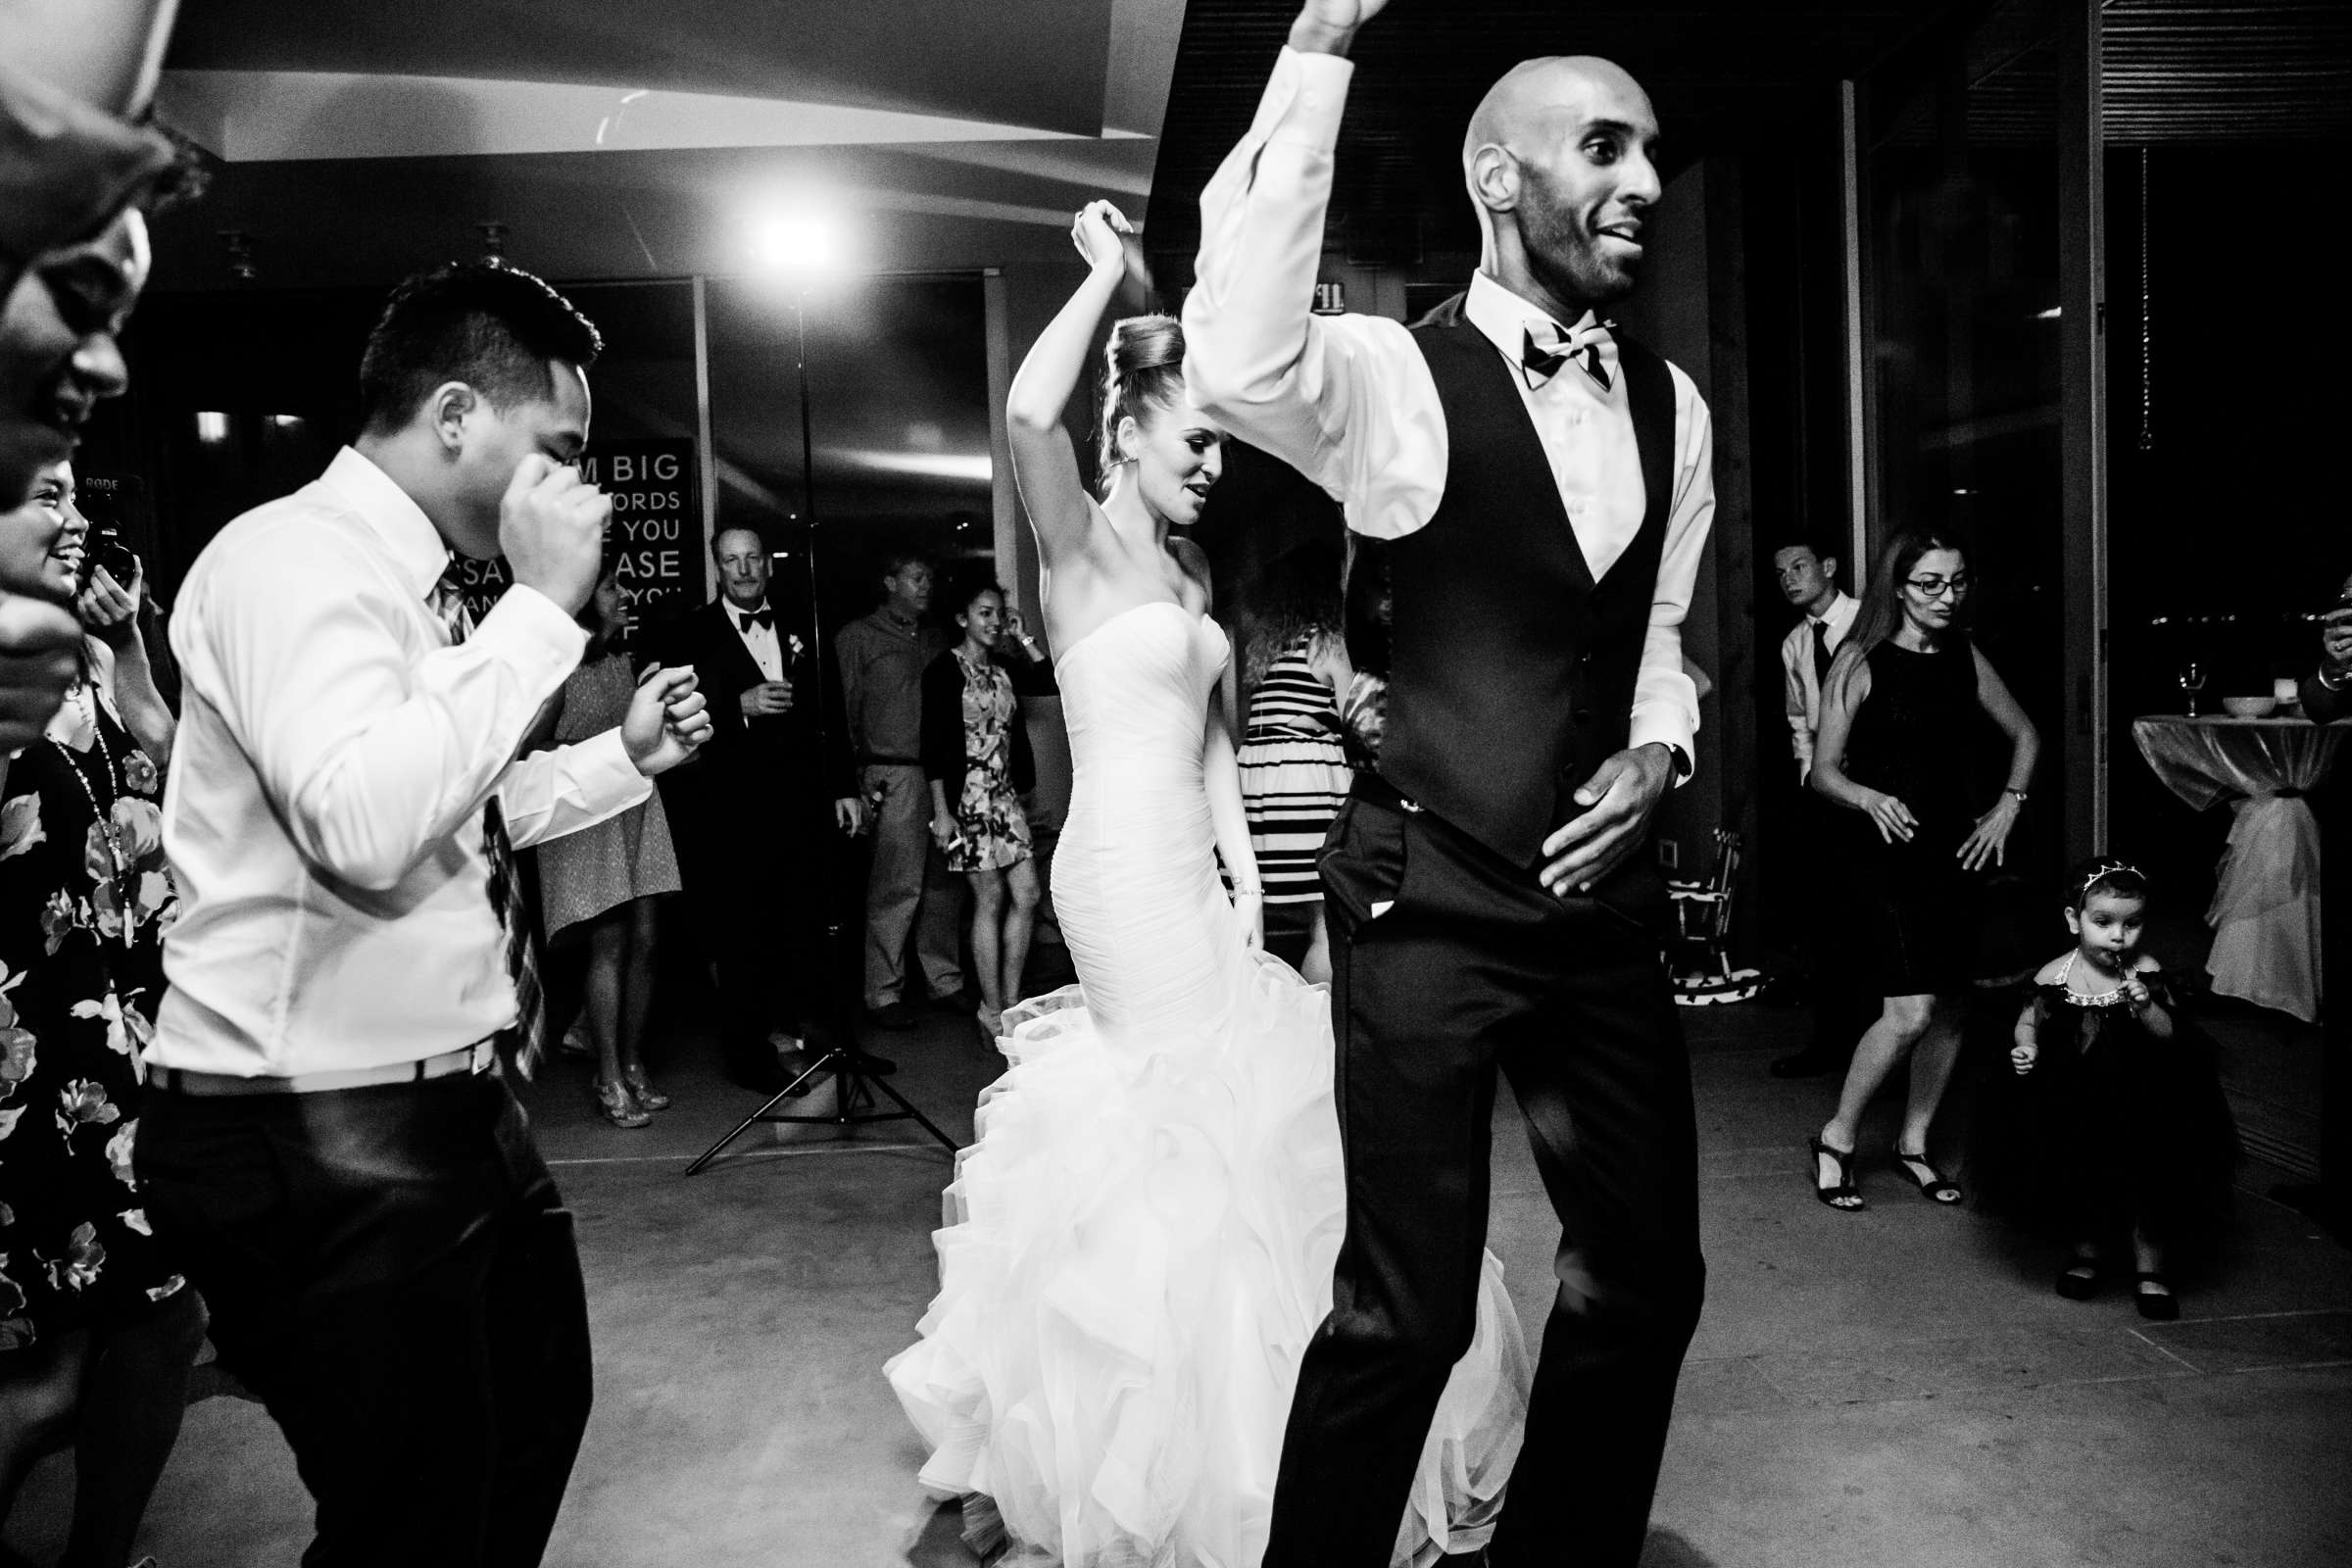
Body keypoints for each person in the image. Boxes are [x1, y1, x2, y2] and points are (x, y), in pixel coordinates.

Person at [888, 204, 1529, 1566]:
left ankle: (1282, 1422)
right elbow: (1019, 413)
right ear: (1126, 436)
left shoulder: (1187, 571)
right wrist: (1105, 279)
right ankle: (1129, 1438)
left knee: (1243, 1113)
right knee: (1171, 1122)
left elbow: (1225, 751)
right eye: (1193, 444)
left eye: (1222, 452)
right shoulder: (1074, 549)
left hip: (1195, 869)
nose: (1210, 472)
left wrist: (1255, 897)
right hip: (1117, 880)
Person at [1184, 4, 1722, 1558]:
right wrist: (1319, 44)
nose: (1645, 182)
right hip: (1428, 904)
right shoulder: (1390, 378)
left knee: (1646, 1278)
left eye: (1654, 154)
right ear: (1498, 177)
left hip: (1600, 912)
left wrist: (1661, 744)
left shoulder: (1679, 406)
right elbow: (1233, 350)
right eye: (1602, 148)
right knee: (1404, 1316)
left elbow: (1662, 636)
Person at [133, 261, 713, 1568]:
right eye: (557, 451)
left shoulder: (421, 588)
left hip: (442, 1112)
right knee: (415, 1518)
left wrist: (620, 759)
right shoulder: (292, 559)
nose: (581, 489)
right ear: (456, 415)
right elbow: (361, 819)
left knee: (524, 1430)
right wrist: (542, 610)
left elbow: (454, 817)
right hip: (310, 1121)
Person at [0, 460, 204, 1568]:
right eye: (46, 494)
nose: (77, 519)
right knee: (139, 1325)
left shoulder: (79, 647)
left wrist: (124, 647)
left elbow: (168, 766)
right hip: (33, 1063)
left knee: (101, 1345)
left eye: (78, 495)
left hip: (120, 1038)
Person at [1805, 529, 2040, 1212]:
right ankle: (1838, 1136)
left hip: (1956, 850)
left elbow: (2026, 735)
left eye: (1958, 581)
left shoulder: (1966, 656)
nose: (1947, 596)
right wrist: (1867, 795)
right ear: (1899, 587)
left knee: (1953, 1008)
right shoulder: (1858, 659)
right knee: (1909, 1012)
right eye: (1930, 583)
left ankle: (1914, 1143)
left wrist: (2008, 806)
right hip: (1883, 856)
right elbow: (1823, 773)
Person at [647, 526, 864, 1092]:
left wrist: (843, 785)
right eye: (730, 561)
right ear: (717, 568)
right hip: (729, 812)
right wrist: (735, 705)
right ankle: (748, 1059)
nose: (743, 570)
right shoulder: (692, 632)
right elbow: (670, 718)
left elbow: (830, 707)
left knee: (811, 925)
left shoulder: (802, 622)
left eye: (752, 559)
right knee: (742, 936)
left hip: (801, 804)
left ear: (768, 564)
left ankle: (828, 1047)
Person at [1975, 859, 2236, 1319]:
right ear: (2074, 920)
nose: (2119, 936)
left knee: (2148, 1177)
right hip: (2073, 1095)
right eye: (2103, 922)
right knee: (2077, 1171)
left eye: (2132, 923)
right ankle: (2086, 1253)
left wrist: (2147, 1005)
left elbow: (2171, 1035)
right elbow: (2029, 1018)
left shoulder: (2146, 971)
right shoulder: (2055, 974)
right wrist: (2026, 1046)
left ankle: (2150, 1267)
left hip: (2141, 1096)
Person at [537, 565, 683, 1127]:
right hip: (586, 805)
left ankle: (631, 1058)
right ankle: (608, 1074)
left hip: (638, 801)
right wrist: (588, 754)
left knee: (646, 938)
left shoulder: (629, 659)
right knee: (611, 943)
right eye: (611, 587)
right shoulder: (559, 664)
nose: (625, 595)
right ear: (584, 597)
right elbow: (531, 745)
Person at [838, 551, 967, 1027]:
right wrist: (854, 781)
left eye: (929, 577)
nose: (925, 585)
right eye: (916, 577)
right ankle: (883, 992)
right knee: (896, 885)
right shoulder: (858, 638)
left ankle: (944, 981)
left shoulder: (938, 639)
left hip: (941, 776)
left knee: (944, 882)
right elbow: (845, 709)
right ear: (890, 581)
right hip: (891, 775)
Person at [921, 580, 1042, 1042]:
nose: (994, 622)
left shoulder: (1007, 668)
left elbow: (1048, 680)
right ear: (962, 618)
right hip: (965, 799)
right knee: (989, 899)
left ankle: (1011, 1004)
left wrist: (1024, 636)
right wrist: (941, 812)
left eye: (999, 614)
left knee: (1027, 894)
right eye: (985, 613)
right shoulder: (941, 672)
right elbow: (931, 745)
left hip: (1006, 796)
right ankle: (991, 1010)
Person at [1770, 538, 1868, 1078]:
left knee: (1875, 919)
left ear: (1828, 567)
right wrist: (1809, 776)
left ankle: (1886, 1053)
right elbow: (1797, 720)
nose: (1789, 578)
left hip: (1878, 790)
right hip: (1826, 796)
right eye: (1781, 572)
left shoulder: (1870, 621)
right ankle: (1830, 1045)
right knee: (1829, 921)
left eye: (1800, 566)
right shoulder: (1794, 644)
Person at [1234, 543, 1353, 984]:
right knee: (1325, 921)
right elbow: (1354, 716)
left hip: (1255, 777)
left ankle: (1255, 1028)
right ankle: (1316, 1032)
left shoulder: (1263, 650)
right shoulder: (1328, 643)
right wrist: (1322, 718)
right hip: (1306, 780)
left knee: (1250, 918)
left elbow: (1254, 718)